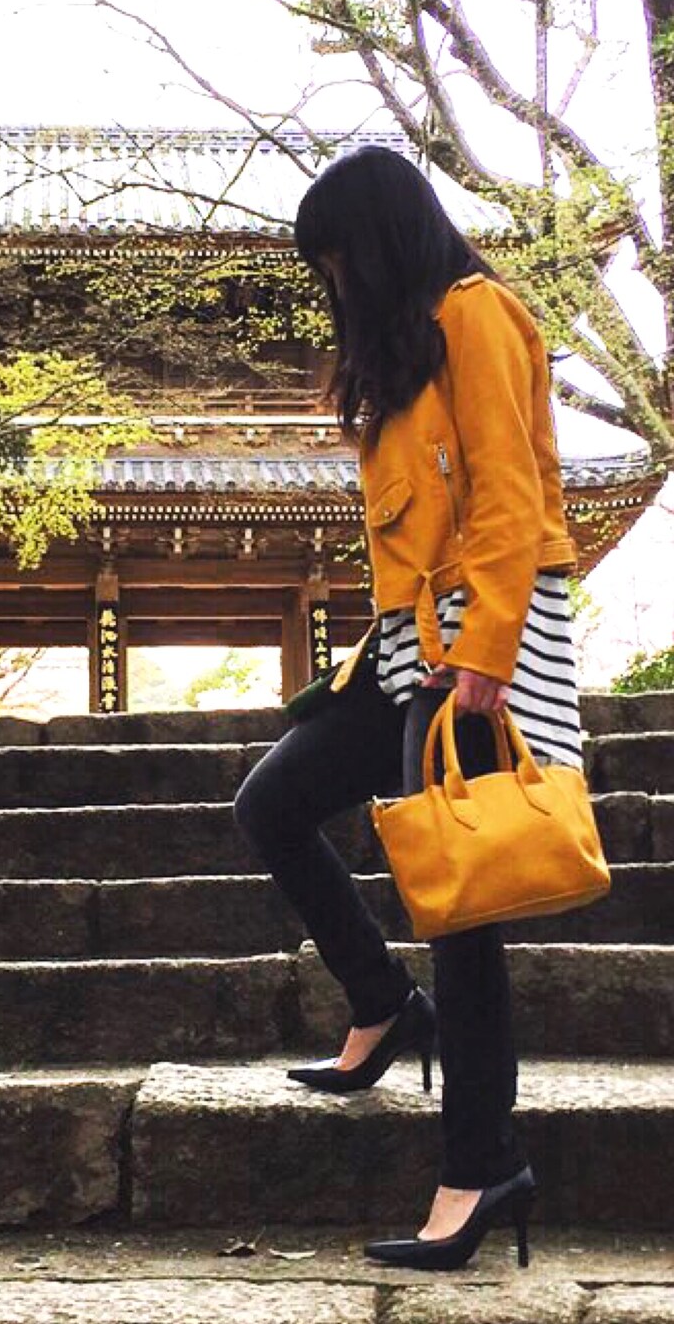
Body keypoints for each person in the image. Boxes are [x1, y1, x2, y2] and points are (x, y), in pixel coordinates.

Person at [233, 145, 583, 1271]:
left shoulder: (475, 313)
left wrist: (487, 649)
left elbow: (510, 494)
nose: (333, 283)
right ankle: (382, 1001)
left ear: (377, 240)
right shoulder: (403, 348)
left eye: (337, 259)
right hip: (403, 650)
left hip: (479, 640)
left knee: (463, 911)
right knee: (272, 801)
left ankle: (482, 1165)